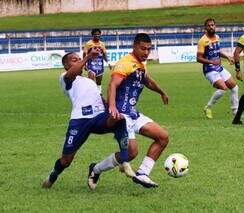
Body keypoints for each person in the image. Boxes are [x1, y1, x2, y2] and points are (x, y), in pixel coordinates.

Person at [42, 49, 134, 189]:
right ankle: (53, 175)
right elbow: (72, 73)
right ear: (66, 66)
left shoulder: (89, 82)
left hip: (98, 117)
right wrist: (87, 57)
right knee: (66, 160)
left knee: (119, 119)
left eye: (79, 59)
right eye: (74, 60)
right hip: (80, 121)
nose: (78, 61)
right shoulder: (65, 77)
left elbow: (100, 99)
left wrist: (111, 107)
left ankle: (124, 160)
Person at [88, 33, 169, 189]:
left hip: (133, 113)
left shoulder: (141, 65)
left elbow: (147, 81)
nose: (146, 52)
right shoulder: (125, 63)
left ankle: (143, 173)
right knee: (132, 152)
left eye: (149, 49)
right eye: (143, 49)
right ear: (134, 47)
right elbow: (112, 85)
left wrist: (161, 92)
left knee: (163, 137)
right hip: (121, 115)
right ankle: (96, 169)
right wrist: (111, 106)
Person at [197, 18, 239, 119]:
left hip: (219, 67)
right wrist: (211, 62)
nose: (211, 27)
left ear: (215, 26)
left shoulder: (217, 37)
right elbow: (198, 58)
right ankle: (208, 107)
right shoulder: (202, 41)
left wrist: (228, 57)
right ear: (205, 28)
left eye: (213, 25)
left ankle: (236, 112)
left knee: (234, 87)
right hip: (209, 69)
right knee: (223, 88)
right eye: (209, 25)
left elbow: (217, 52)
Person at [83, 28, 112, 93]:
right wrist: (84, 64)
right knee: (90, 81)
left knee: (99, 82)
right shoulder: (88, 43)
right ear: (92, 35)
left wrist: (108, 63)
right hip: (91, 65)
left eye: (98, 34)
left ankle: (99, 94)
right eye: (95, 34)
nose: (97, 36)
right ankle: (89, 94)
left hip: (100, 66)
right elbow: (84, 53)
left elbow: (104, 54)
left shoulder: (102, 44)